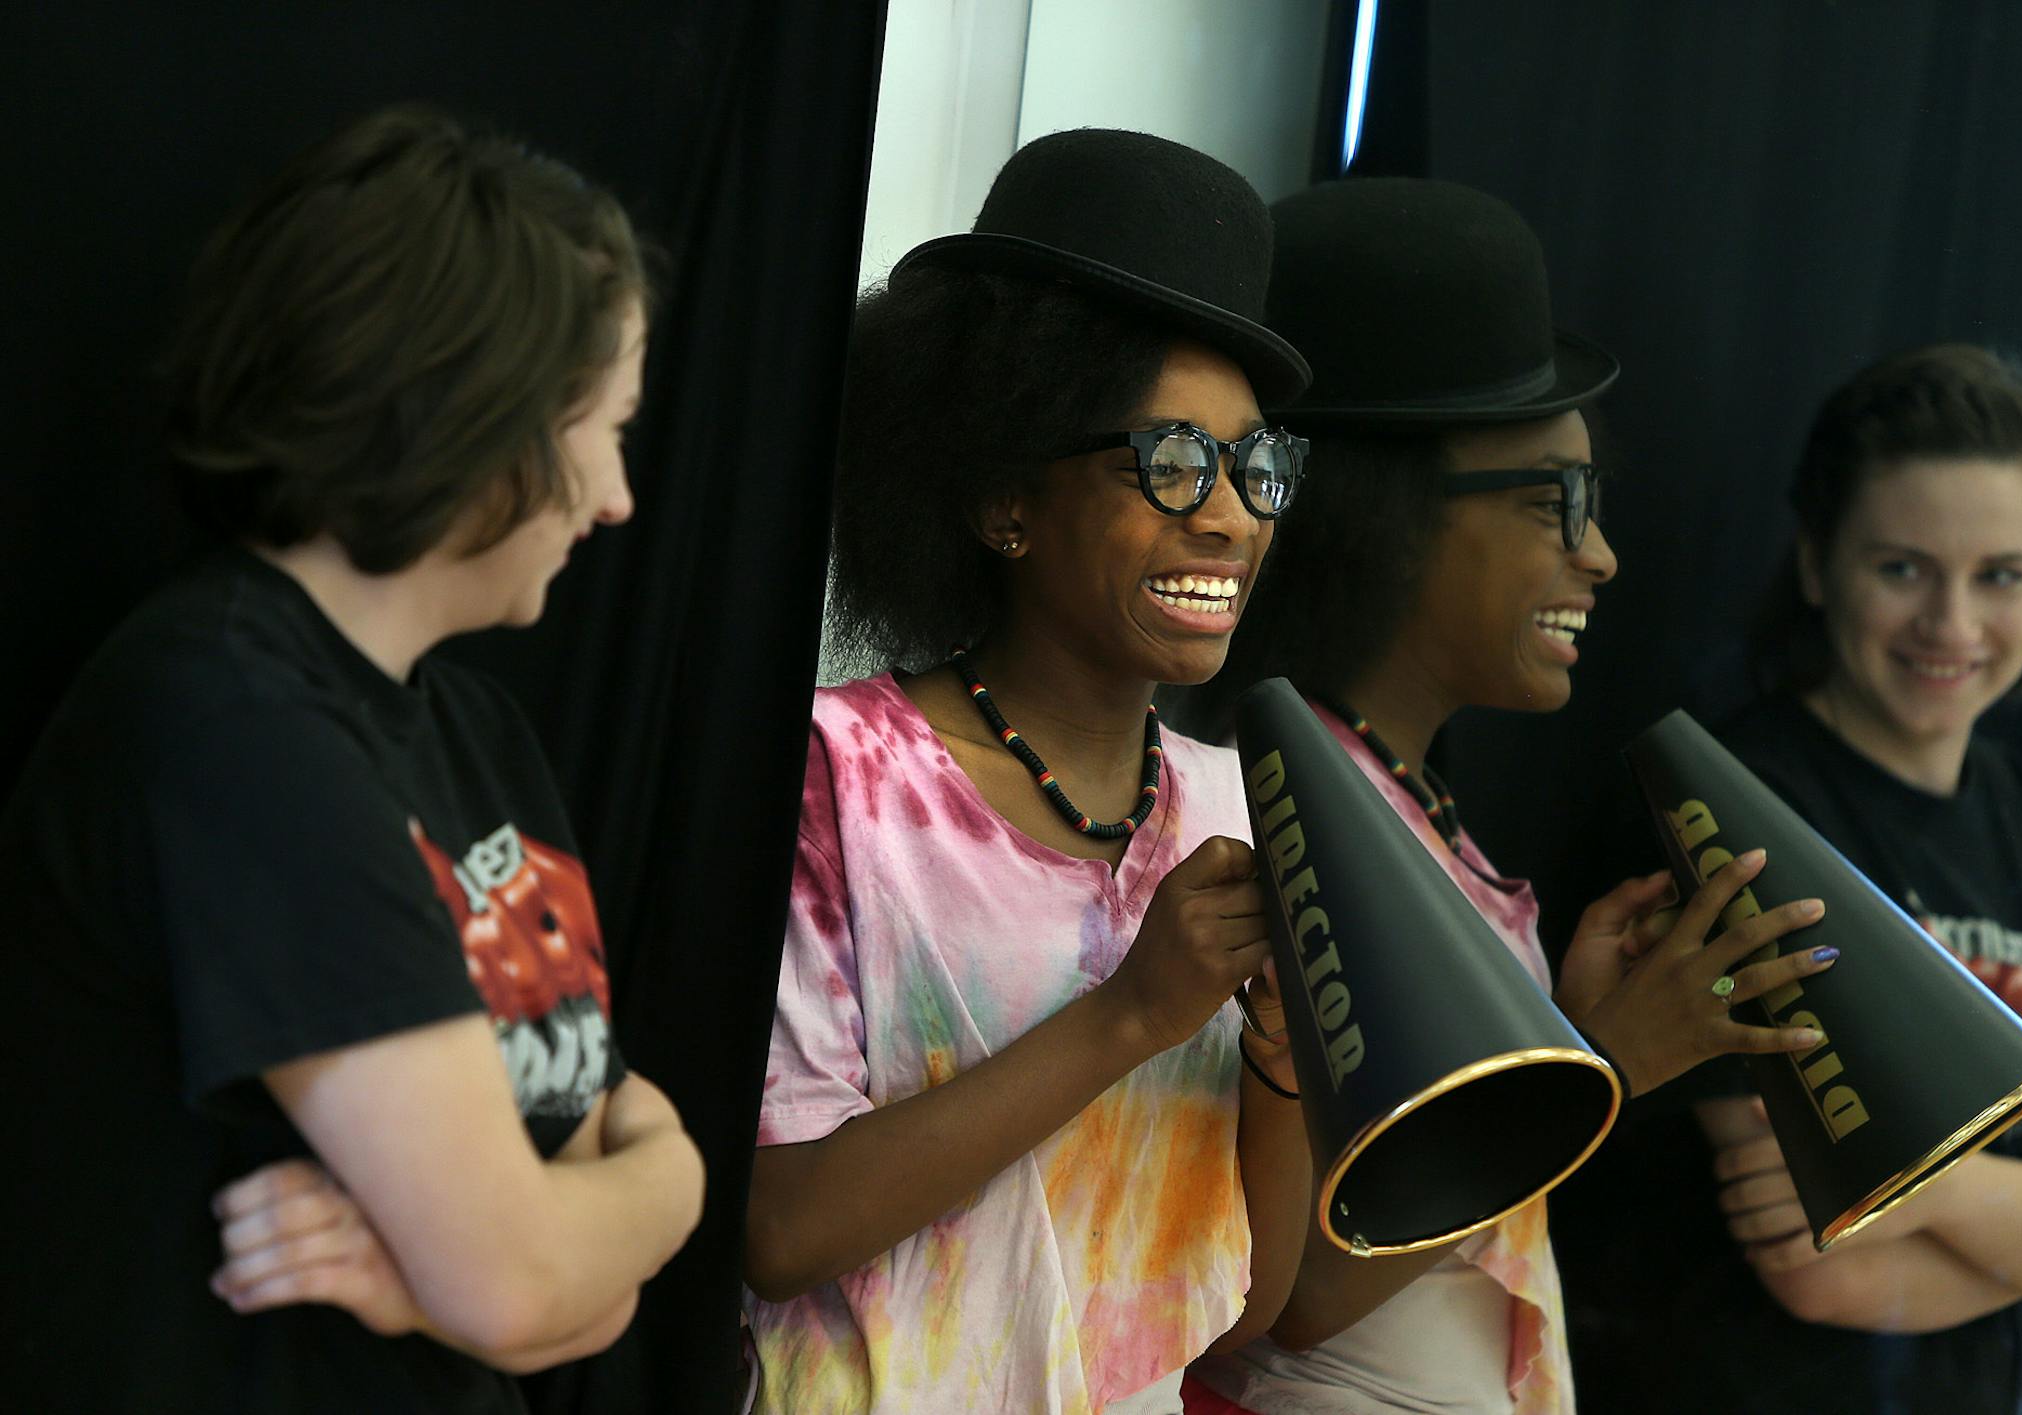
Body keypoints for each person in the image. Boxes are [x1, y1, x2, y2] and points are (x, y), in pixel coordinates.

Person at [0, 106, 704, 1413]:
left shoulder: (473, 734)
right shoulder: (236, 732)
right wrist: (635, 1195)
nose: (617, 499)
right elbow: (523, 1281)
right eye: (605, 427)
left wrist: (646, 1184)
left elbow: (577, 1287)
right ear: (476, 415)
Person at [1178, 177, 1840, 1415]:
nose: (1600, 553)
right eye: (1556, 500)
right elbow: (1300, 1292)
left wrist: (1565, 1029)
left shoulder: (1405, 804)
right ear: (1373, 510)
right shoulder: (1262, 821)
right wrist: (1603, 1061)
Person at [739, 128, 1317, 1414]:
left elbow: (1253, 1299)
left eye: (1257, 464)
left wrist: (1280, 1057)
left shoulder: (1239, 810)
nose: (1226, 514)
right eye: (1169, 460)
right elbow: (779, 1225)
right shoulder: (842, 775)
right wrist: (1133, 1014)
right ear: (1006, 496)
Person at [1678, 344, 2022, 1414]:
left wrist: (1928, 1186)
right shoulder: (1733, 808)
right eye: (1902, 567)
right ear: (1816, 563)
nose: (1951, 624)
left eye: (2001, 574)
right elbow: (1823, 1262)